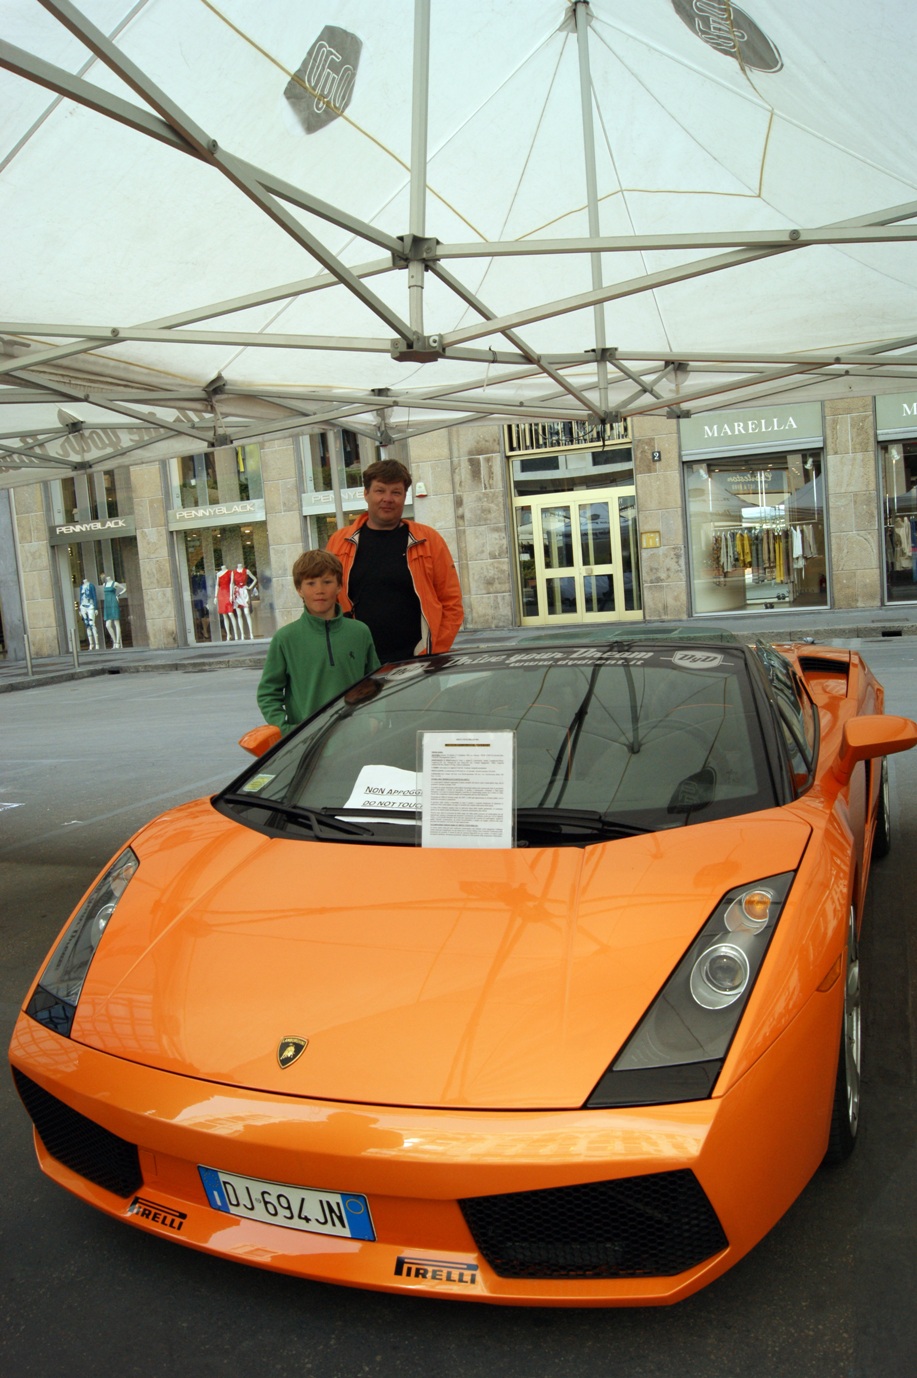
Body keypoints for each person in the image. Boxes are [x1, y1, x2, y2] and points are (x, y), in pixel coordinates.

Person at [325, 458, 463, 662]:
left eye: (396, 492)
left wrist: (433, 651)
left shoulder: (429, 540)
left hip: (418, 660)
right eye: (380, 491)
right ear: (366, 494)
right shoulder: (339, 542)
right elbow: (326, 599)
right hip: (358, 660)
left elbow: (451, 603)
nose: (387, 499)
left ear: (405, 497)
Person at [257, 549, 380, 733]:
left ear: (339, 586)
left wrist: (376, 718)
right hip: (309, 741)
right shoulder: (285, 638)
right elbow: (268, 694)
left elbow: (375, 682)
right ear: (299, 589)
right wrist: (285, 730)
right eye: (311, 583)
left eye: (327, 582)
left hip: (356, 736)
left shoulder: (360, 632)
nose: (319, 590)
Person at [100, 572, 127, 648]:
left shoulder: (115, 583)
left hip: (113, 602)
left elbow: (124, 588)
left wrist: (118, 595)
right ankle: (114, 641)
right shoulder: (104, 584)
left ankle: (117, 642)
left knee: (116, 623)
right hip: (107, 604)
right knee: (108, 625)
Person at [231, 563, 258, 640]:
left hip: (244, 591)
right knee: (239, 614)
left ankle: (251, 633)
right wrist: (232, 594)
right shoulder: (233, 572)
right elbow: (231, 583)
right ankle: (242, 634)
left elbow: (255, 579)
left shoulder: (246, 571)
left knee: (246, 612)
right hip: (237, 592)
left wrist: (249, 587)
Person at [215, 564, 236, 641]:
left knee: (230, 613)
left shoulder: (230, 572)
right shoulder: (218, 574)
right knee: (224, 615)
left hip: (228, 592)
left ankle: (235, 633)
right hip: (221, 593)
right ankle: (228, 634)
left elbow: (231, 583)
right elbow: (217, 585)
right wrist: (215, 596)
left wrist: (231, 595)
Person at [78, 577, 100, 649]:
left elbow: (94, 596)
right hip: (83, 606)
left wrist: (95, 608)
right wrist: (80, 609)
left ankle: (97, 643)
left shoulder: (91, 586)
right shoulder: (81, 587)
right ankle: (91, 644)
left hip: (90, 605)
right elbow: (80, 597)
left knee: (92, 624)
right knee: (87, 625)